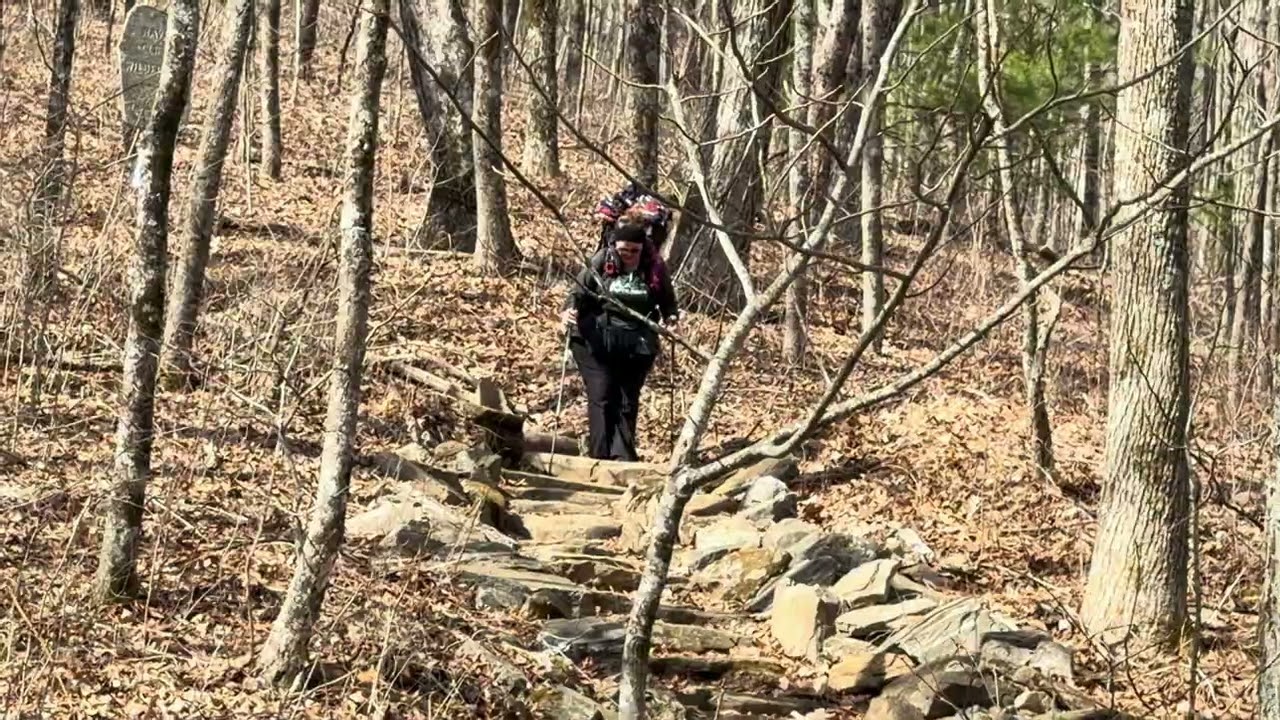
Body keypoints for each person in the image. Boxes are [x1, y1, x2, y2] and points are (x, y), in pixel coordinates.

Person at [561, 216, 679, 462]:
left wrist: (671, 320)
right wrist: (569, 311)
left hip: (636, 342)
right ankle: (600, 457)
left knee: (627, 399)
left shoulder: (653, 267)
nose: (628, 256)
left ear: (642, 249)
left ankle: (623, 456)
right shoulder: (602, 260)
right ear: (615, 247)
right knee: (602, 394)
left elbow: (668, 302)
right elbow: (577, 292)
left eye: (634, 251)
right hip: (594, 338)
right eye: (623, 251)